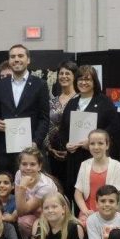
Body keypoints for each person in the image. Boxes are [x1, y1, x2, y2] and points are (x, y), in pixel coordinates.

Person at [62, 65, 120, 198]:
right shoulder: (72, 102)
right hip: (74, 157)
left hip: (95, 157)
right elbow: (63, 129)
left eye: (88, 79)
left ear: (94, 82)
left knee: (94, 193)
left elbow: (114, 127)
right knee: (75, 191)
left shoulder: (104, 102)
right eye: (80, 79)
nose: (83, 82)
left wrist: (92, 142)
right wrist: (66, 144)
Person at [0, 44, 50, 172]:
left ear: (28, 60)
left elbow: (44, 118)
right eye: (12, 56)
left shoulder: (40, 84)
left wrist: (36, 142)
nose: (16, 59)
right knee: (8, 189)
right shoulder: (0, 85)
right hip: (6, 149)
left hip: (31, 149)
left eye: (20, 56)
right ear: (9, 61)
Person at [73, 129, 120, 229]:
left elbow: (116, 196)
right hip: (87, 212)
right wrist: (85, 211)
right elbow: (78, 193)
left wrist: (101, 214)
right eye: (92, 143)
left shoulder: (116, 165)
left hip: (109, 212)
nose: (96, 147)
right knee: (76, 229)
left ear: (107, 145)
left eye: (100, 143)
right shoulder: (84, 165)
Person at [45, 60, 78, 195]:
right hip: (53, 154)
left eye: (67, 73)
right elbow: (45, 124)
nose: (63, 76)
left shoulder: (80, 100)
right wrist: (49, 148)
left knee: (74, 191)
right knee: (57, 191)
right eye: (61, 73)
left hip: (75, 154)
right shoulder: (51, 101)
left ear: (74, 76)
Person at [13, 146, 58, 239]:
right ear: (19, 165)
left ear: (40, 166)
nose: (28, 168)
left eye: (32, 164)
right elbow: (20, 204)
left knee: (23, 220)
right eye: (24, 164)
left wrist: (22, 187)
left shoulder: (45, 186)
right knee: (20, 219)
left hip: (50, 216)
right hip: (33, 211)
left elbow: (21, 211)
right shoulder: (19, 174)